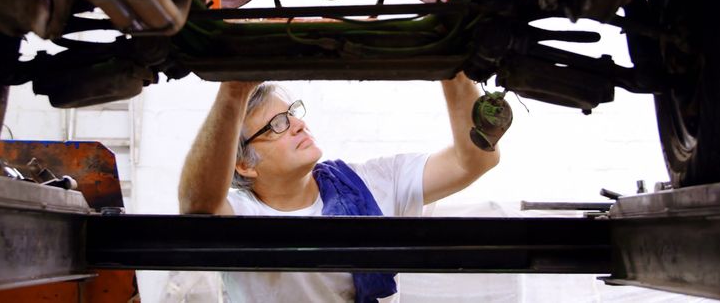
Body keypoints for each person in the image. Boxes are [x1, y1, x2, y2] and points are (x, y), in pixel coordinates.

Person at [177, 73, 502, 302]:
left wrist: (453, 71)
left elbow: (473, 161)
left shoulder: (370, 184)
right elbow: (197, 206)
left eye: (293, 114)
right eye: (278, 124)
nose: (299, 124)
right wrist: (234, 90)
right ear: (246, 165)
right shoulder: (243, 213)